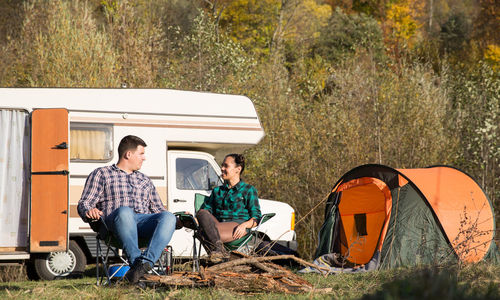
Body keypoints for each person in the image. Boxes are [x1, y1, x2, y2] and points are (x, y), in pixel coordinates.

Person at [77, 135, 177, 284]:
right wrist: (89, 210)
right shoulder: (102, 174)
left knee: (169, 216)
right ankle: (137, 262)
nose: (144, 158)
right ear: (128, 154)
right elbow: (84, 202)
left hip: (142, 224)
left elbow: (158, 210)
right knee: (125, 211)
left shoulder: (145, 180)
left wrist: (179, 219)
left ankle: (142, 265)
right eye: (141, 154)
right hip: (114, 226)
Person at [195, 153, 261, 262]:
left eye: (226, 166)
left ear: (237, 169)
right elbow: (206, 212)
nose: (222, 168)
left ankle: (219, 257)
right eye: (222, 165)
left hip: (237, 226)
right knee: (201, 213)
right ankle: (220, 251)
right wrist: (192, 219)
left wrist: (245, 225)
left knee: (203, 233)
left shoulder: (248, 190)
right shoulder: (217, 191)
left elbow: (257, 218)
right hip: (217, 226)